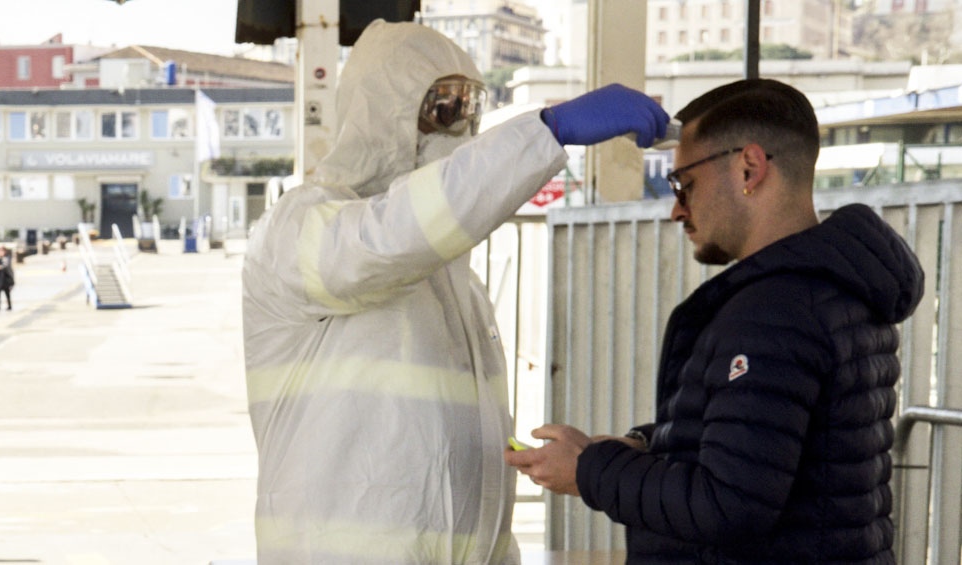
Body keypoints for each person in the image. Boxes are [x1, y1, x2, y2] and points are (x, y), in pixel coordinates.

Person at [241, 18, 670, 565]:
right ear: (383, 110)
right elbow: (391, 237)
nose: (460, 124)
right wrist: (546, 132)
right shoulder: (301, 229)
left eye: (470, 107)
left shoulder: (456, 287)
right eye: (442, 106)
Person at [504, 78, 925, 564]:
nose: (676, 209)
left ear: (750, 167)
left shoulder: (775, 313)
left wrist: (589, 470)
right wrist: (643, 445)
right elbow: (766, 445)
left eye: (684, 184)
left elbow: (728, 504)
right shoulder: (834, 286)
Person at [0, 245, 14, 310]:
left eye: (3, 251)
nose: (1, 252)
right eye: (0, 251)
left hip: (5, 278)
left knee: (7, 293)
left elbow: (6, 265)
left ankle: (9, 306)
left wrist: (0, 267)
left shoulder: (7, 258)